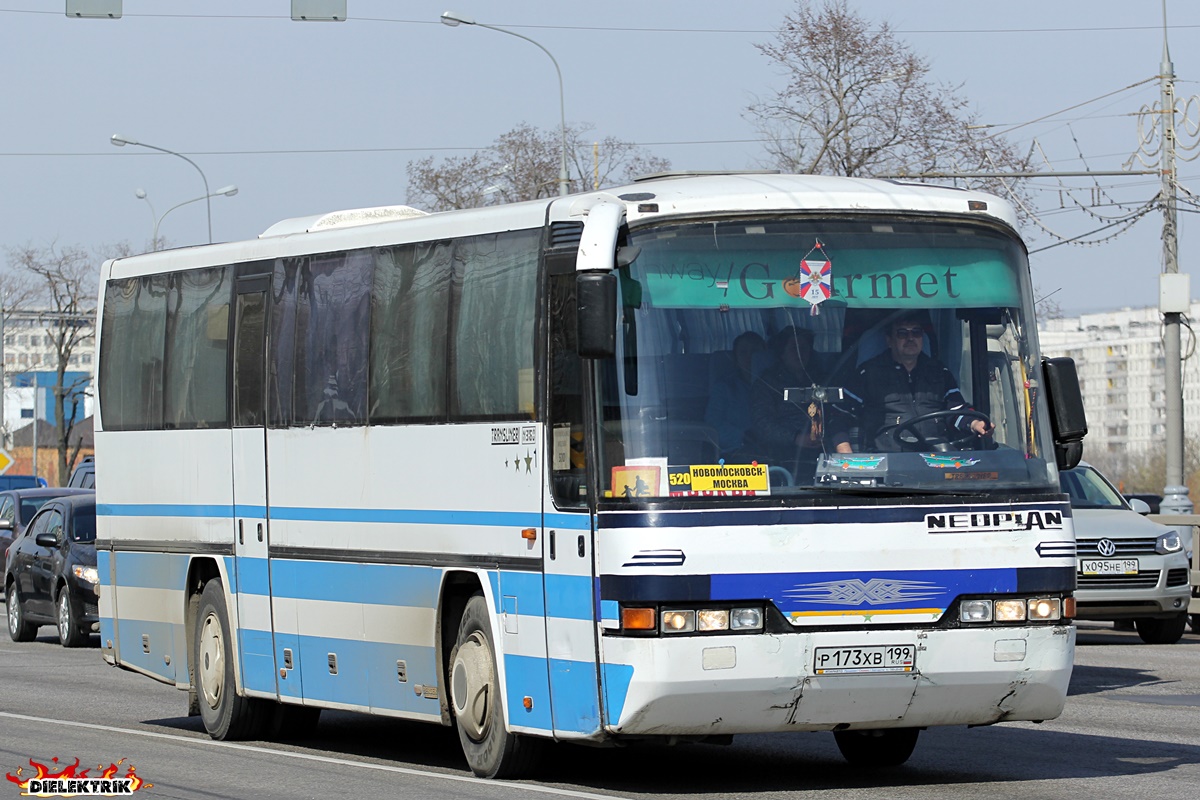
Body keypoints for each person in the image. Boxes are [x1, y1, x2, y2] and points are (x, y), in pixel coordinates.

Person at [832, 314, 992, 453]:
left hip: (936, 457)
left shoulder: (939, 371)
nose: (910, 338)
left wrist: (975, 423)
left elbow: (956, 411)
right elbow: (840, 417)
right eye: (902, 333)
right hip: (886, 460)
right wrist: (846, 455)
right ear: (889, 340)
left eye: (916, 332)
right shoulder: (866, 374)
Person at [751, 326, 827, 473]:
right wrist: (796, 438)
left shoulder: (821, 379)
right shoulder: (767, 383)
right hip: (783, 455)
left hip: (822, 450)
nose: (801, 353)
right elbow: (762, 424)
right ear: (782, 353)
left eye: (805, 348)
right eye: (794, 348)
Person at [705, 331, 766, 459]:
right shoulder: (724, 388)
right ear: (735, 358)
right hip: (737, 452)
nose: (750, 357)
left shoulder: (777, 387)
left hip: (775, 450)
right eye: (744, 352)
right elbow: (713, 425)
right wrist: (743, 437)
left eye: (755, 352)